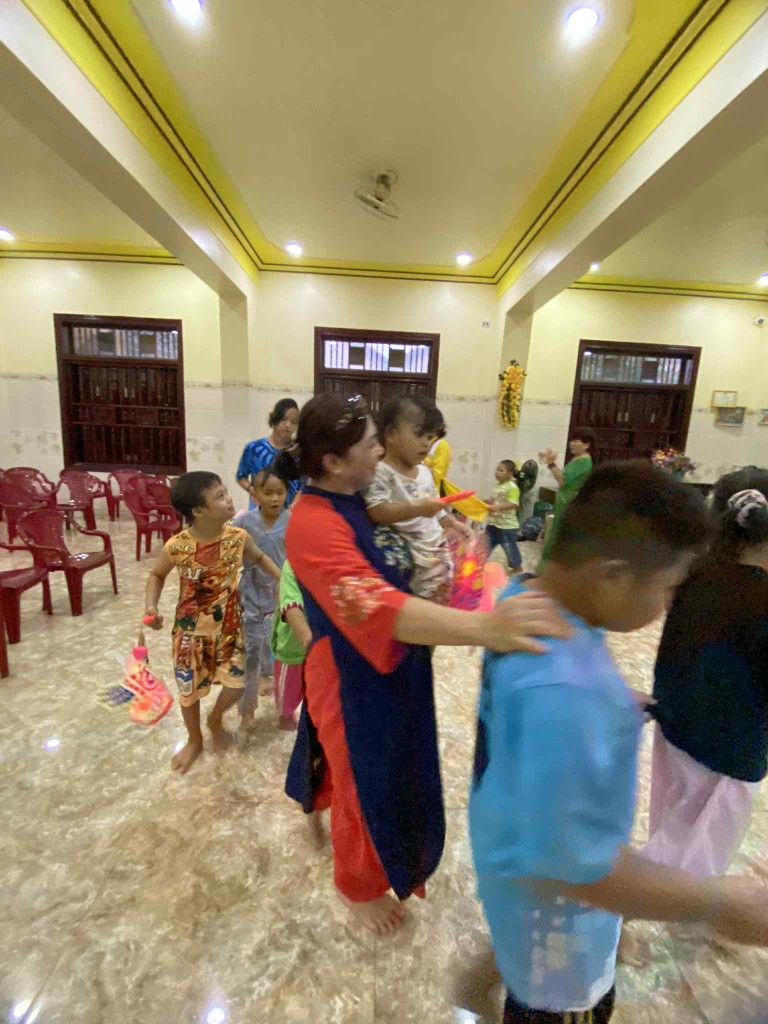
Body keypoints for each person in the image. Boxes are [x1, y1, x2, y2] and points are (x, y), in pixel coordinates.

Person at [469, 461, 768, 1024]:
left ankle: (488, 974)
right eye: (666, 588)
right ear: (611, 578)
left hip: (511, 869)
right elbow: (576, 867)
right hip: (562, 955)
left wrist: (599, 699)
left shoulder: (525, 602)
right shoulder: (569, 695)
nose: (665, 605)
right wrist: (720, 902)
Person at [279, 393, 572, 937]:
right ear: (334, 462)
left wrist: (449, 536)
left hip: (389, 659)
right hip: (349, 671)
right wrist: (486, 629)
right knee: (361, 779)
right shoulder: (313, 524)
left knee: (383, 766)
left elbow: (400, 546)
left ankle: (345, 826)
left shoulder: (357, 496)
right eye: (372, 445)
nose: (380, 453)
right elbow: (375, 605)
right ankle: (356, 885)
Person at [644, 468, 768, 875]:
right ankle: (633, 897)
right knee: (696, 857)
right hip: (729, 747)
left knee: (670, 825)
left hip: (675, 723)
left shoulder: (693, 575)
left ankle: (640, 889)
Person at [144, 472, 280, 773]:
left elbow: (259, 558)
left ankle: (215, 717)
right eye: (220, 496)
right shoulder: (178, 546)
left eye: (226, 492)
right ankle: (194, 740)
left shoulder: (238, 538)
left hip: (229, 630)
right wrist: (151, 606)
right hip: (189, 635)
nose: (229, 499)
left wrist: (283, 581)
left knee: (237, 684)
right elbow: (156, 574)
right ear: (198, 511)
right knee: (189, 692)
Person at [366, 394, 468, 603]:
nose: (426, 444)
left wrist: (454, 524)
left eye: (430, 437)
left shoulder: (425, 472)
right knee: (423, 606)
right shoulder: (380, 472)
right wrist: (418, 509)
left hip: (437, 550)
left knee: (445, 596)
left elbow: (437, 508)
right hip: (412, 559)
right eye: (419, 434)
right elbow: (377, 511)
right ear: (391, 434)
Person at [235, 463, 291, 732]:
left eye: (280, 492)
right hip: (251, 596)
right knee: (251, 652)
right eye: (268, 493)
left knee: (283, 654)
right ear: (255, 494)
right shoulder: (243, 522)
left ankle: (285, 709)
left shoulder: (292, 521)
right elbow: (227, 547)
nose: (274, 498)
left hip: (283, 597)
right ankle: (247, 710)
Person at [537, 430, 593, 569]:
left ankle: (547, 569)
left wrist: (551, 463)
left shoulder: (583, 461)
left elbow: (563, 480)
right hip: (564, 501)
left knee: (558, 535)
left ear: (587, 445)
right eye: (572, 440)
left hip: (569, 502)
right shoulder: (577, 459)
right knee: (556, 533)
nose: (572, 443)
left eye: (577, 441)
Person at [235, 398, 300, 509]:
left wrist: (295, 505)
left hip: (288, 511)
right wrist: (253, 490)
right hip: (258, 510)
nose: (288, 425)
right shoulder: (254, 448)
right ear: (275, 419)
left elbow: (303, 485)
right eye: (284, 419)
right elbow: (241, 476)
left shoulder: (298, 451)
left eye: (293, 422)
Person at [270, 559, 311, 730]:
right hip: (291, 648)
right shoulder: (293, 564)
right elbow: (291, 606)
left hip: (315, 648)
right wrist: (307, 638)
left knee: (309, 687)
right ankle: (285, 716)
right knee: (287, 690)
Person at [485, 460, 522, 572]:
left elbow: (514, 504)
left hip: (506, 526)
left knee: (510, 548)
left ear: (510, 473)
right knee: (485, 544)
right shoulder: (498, 486)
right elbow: (494, 500)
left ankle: (518, 568)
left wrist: (497, 507)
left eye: (501, 470)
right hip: (493, 523)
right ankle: (479, 564)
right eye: (497, 470)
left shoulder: (512, 487)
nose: (497, 472)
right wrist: (485, 502)